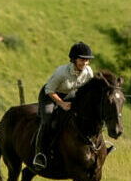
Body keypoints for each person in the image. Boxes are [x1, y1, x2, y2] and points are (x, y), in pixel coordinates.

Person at [32, 42, 96, 170]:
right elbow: (49, 89)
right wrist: (61, 103)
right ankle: (40, 153)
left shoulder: (88, 72)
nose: (84, 63)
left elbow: (88, 91)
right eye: (81, 60)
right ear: (74, 59)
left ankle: (98, 145)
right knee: (48, 119)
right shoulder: (61, 72)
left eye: (87, 60)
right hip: (50, 95)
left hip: (70, 95)